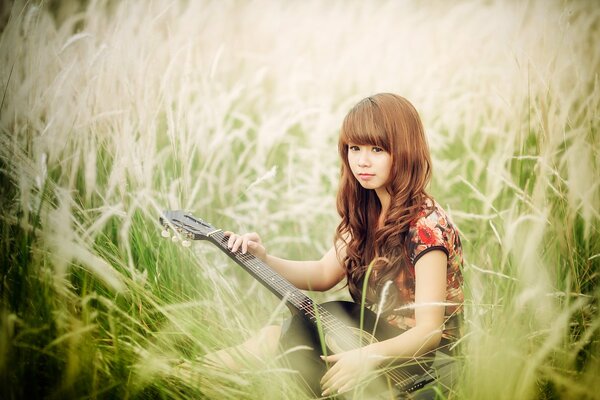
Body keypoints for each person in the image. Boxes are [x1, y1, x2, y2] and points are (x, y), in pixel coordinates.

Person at [206, 93, 464, 397]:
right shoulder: (368, 213)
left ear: (405, 151)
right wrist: (262, 258)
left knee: (283, 339)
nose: (362, 160)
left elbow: (429, 332)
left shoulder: (426, 226)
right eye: (354, 148)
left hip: (421, 365)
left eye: (377, 149)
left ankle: (180, 376)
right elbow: (323, 273)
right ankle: (182, 376)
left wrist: (364, 357)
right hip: (370, 339)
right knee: (279, 337)